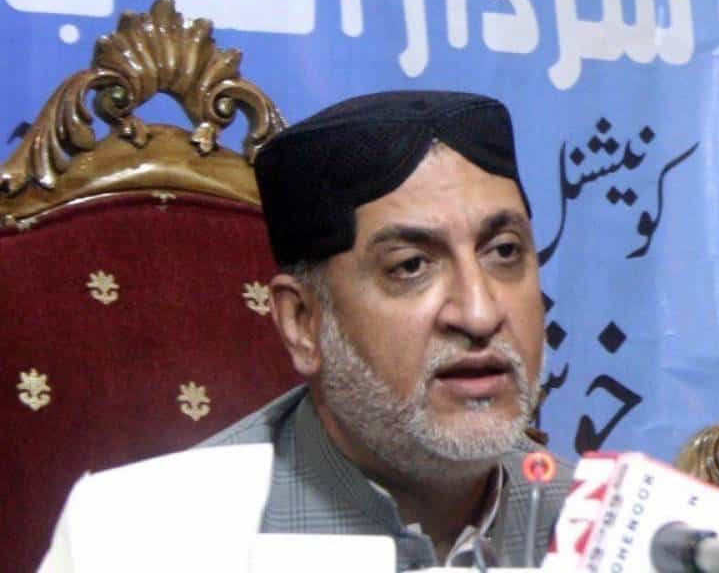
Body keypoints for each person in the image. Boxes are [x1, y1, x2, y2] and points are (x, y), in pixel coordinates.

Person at [39, 91, 573, 571]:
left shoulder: (603, 527)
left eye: (504, 252)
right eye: (411, 266)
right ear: (302, 323)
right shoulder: (141, 541)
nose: (479, 314)